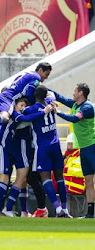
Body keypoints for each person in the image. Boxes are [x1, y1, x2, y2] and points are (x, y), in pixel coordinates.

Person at [0, 97, 51, 216]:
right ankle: (3, 208)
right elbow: (25, 119)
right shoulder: (13, 114)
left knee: (14, 179)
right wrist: (43, 111)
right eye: (21, 105)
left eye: (24, 106)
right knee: (16, 178)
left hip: (7, 147)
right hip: (9, 146)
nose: (23, 108)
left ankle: (15, 210)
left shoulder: (5, 113)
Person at [23, 85, 72, 218]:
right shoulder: (51, 102)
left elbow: (23, 115)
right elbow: (51, 94)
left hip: (42, 147)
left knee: (45, 178)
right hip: (56, 145)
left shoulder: (30, 109)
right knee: (60, 178)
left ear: (34, 95)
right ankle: (65, 209)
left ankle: (57, 209)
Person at [51, 83, 94, 218]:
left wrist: (58, 112)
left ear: (81, 93)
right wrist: (45, 88)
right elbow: (60, 98)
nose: (73, 93)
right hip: (84, 148)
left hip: (92, 146)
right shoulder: (75, 105)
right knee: (88, 180)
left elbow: (75, 119)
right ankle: (90, 212)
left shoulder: (87, 107)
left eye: (75, 90)